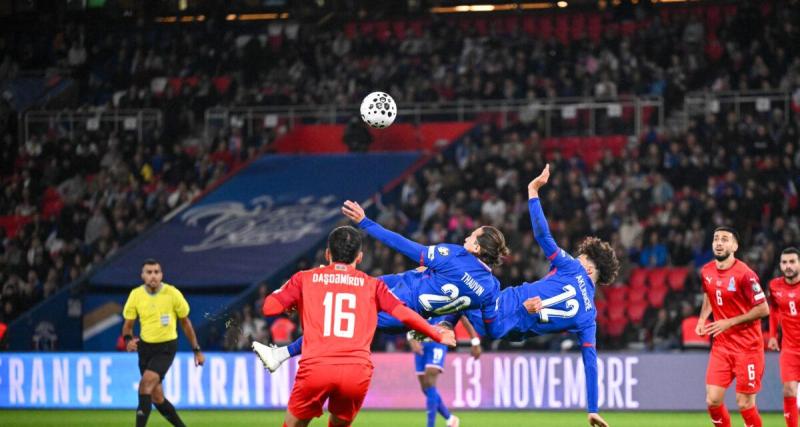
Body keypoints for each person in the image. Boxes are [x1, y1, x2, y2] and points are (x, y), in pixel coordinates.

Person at [254, 200, 509, 371]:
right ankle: (297, 312)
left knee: (337, 317)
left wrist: (366, 222)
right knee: (338, 300)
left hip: (396, 298)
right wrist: (451, 325)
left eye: (472, 235)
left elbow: (405, 246)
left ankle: (282, 353)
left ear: (476, 247)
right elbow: (491, 326)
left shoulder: (454, 256)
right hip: (406, 310)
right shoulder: (490, 288)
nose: (466, 236)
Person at [455, 164, 615, 427]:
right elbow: (590, 362)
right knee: (455, 300)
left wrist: (533, 192)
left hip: (503, 306)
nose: (576, 257)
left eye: (581, 256)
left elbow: (543, 235)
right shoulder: (589, 316)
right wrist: (593, 408)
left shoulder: (573, 268)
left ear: (587, 266)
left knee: (454, 279)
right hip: (506, 330)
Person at [253, 226, 456, 427]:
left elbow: (269, 308)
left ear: (327, 254)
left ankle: (279, 355)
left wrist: (292, 294)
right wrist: (437, 335)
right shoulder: (373, 285)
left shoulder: (305, 278)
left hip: (316, 368)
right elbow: (405, 314)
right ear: (359, 257)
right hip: (356, 372)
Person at [696, 227, 769, 427]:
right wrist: (703, 319)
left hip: (748, 347)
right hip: (722, 346)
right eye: (716, 239)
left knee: (744, 403)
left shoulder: (745, 274)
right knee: (713, 400)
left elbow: (763, 309)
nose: (719, 243)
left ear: (734, 246)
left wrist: (729, 322)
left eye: (725, 239)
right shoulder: (707, 271)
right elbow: (709, 294)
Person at [122, 259, 205, 427]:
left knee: (145, 386)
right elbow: (128, 326)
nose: (153, 276)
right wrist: (128, 340)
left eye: (156, 272)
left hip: (166, 348)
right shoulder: (135, 295)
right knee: (157, 398)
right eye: (149, 272)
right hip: (145, 349)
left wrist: (196, 350)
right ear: (142, 275)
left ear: (161, 275)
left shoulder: (172, 294)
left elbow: (185, 323)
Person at [408, 315, 481, 427]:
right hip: (421, 340)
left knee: (430, 381)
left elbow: (464, 318)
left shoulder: (450, 300)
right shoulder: (418, 298)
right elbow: (410, 316)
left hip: (438, 341)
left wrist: (475, 342)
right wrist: (411, 339)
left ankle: (430, 425)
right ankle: (450, 418)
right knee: (425, 388)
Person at [767, 247, 800, 427]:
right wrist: (773, 335)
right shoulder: (774, 286)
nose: (788, 266)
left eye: (792, 262)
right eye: (785, 262)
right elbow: (773, 310)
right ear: (780, 264)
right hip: (790, 348)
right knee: (788, 390)